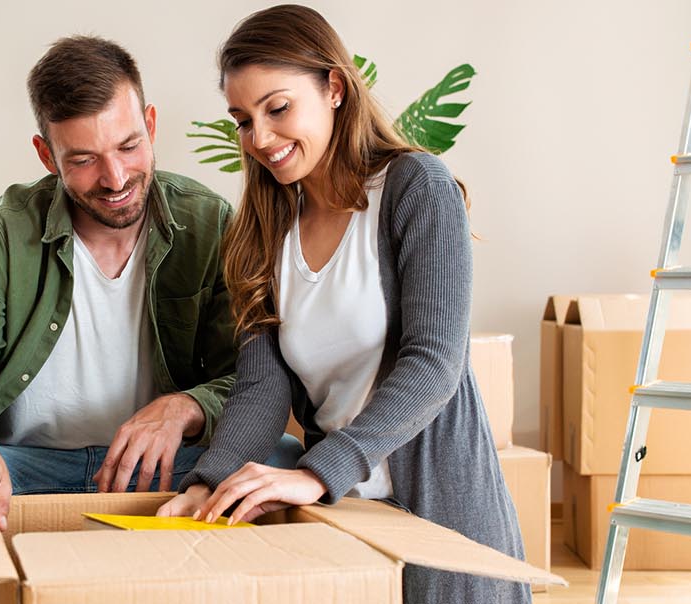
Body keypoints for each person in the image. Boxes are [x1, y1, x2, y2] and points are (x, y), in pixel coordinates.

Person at [156, 5, 530, 603]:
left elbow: (435, 363)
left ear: (334, 87)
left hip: (439, 518)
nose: (261, 139)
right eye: (243, 120)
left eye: (277, 109)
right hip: (342, 520)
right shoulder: (262, 231)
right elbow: (261, 389)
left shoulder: (416, 189)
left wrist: (314, 471)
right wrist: (212, 483)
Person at [0, 35, 301, 532]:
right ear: (47, 155)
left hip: (168, 471)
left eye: (128, 146)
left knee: (279, 459)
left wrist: (185, 408)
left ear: (150, 126)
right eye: (83, 160)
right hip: (24, 469)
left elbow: (251, 380)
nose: (114, 178)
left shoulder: (210, 223)